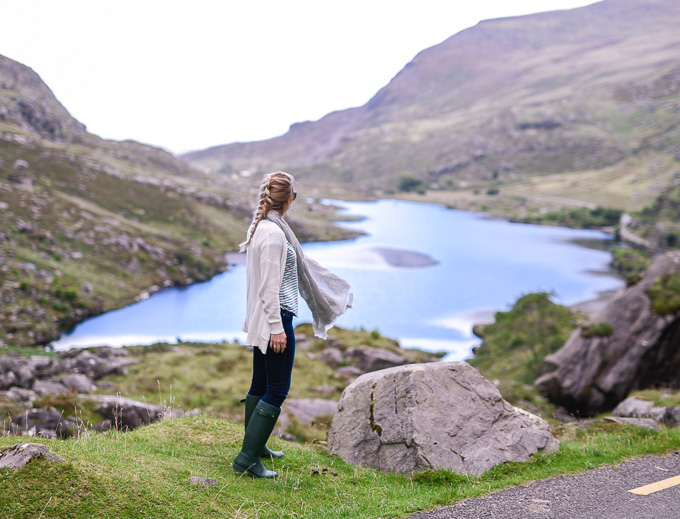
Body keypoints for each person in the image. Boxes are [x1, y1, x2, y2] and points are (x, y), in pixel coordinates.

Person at [232, 171, 353, 478]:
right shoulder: (274, 235)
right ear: (286, 199)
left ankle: (255, 447)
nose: (293, 200)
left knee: (260, 384)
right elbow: (268, 288)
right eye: (294, 196)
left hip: (264, 316)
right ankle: (247, 458)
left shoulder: (264, 226)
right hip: (276, 317)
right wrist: (277, 328)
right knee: (277, 389)